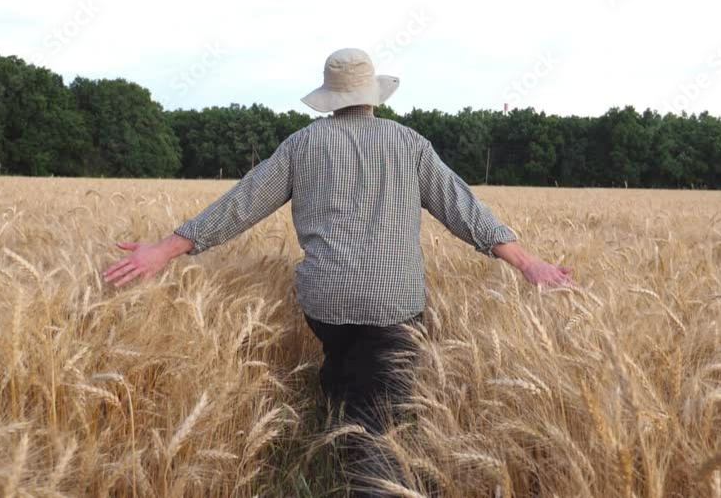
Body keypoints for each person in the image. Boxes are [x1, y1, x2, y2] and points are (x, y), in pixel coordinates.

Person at [102, 48, 574, 495]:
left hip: (324, 303)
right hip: (393, 306)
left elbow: (240, 205)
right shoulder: (409, 144)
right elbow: (464, 211)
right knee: (379, 421)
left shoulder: (302, 145)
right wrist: (529, 264)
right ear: (372, 96)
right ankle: (372, 477)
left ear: (330, 98)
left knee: (346, 365)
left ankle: (334, 429)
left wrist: (162, 251)